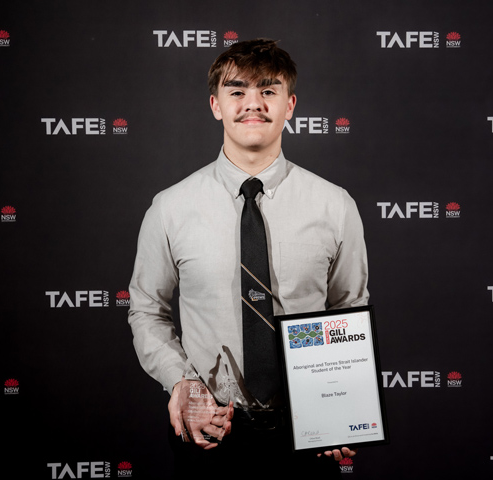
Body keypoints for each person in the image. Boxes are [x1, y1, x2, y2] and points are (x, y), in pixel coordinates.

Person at [128, 38, 369, 477]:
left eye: (268, 91)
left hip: (307, 433)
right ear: (216, 105)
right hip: (210, 430)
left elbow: (348, 310)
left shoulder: (336, 206)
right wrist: (180, 381)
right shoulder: (171, 206)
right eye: (237, 91)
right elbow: (147, 310)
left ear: (290, 104)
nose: (252, 104)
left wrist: (340, 404)